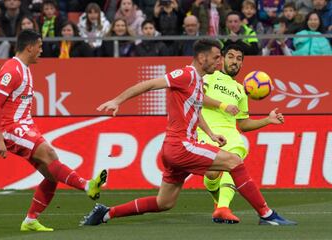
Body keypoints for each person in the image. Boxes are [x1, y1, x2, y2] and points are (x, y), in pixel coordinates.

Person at [81, 39, 296, 226]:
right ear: (202, 58)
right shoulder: (185, 74)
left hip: (176, 149)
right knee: (234, 162)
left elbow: (195, 110)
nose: (219, 62)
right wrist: (118, 100)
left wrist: (211, 135)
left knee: (163, 203)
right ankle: (267, 215)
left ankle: (106, 213)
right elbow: (149, 84)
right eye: (216, 57)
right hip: (180, 145)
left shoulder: (198, 82)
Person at [0, 30, 107, 232]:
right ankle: (87, 185)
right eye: (39, 46)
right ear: (29, 47)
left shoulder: (24, 69)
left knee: (51, 173)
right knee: (50, 154)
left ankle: (30, 220)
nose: (41, 50)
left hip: (22, 126)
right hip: (14, 128)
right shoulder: (12, 70)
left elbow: (7, 104)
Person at [199, 44, 287, 224]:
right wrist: (222, 105)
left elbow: (244, 124)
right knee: (211, 175)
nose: (234, 62)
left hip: (231, 134)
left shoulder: (240, 90)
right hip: (206, 130)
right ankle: (219, 203)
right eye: (231, 56)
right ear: (221, 59)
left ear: (242, 65)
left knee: (234, 161)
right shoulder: (209, 77)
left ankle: (223, 208)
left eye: (239, 59)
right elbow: (197, 98)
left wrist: (267, 120)